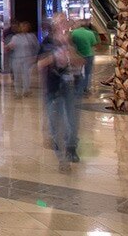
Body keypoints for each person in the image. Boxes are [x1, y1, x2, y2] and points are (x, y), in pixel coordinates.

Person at [38, 15, 81, 170]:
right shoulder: (47, 43)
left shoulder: (71, 41)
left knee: (72, 121)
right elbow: (39, 64)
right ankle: (61, 158)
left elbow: (80, 61)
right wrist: (54, 57)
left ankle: (71, 148)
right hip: (53, 87)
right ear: (54, 25)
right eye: (60, 22)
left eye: (65, 22)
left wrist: (69, 47)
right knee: (55, 123)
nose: (63, 25)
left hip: (69, 86)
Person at [5, 21, 40, 96]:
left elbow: (36, 47)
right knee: (17, 76)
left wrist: (35, 57)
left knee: (26, 75)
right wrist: (7, 47)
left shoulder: (31, 36)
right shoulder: (15, 37)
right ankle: (18, 92)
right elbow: (9, 47)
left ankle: (26, 91)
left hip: (27, 58)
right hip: (16, 59)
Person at [70, 22, 97, 94]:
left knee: (77, 72)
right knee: (88, 73)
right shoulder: (90, 33)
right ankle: (85, 88)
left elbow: (70, 43)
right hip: (89, 54)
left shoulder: (73, 33)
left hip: (77, 55)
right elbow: (93, 43)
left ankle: (77, 87)